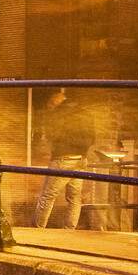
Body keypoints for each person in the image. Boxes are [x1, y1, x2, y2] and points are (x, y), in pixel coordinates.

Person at [33, 87, 96, 228]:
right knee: (74, 197)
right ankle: (69, 230)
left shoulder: (58, 114)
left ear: (57, 97)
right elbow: (92, 138)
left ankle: (37, 230)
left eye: (50, 102)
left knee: (47, 196)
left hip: (63, 159)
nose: (49, 105)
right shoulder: (85, 113)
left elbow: (52, 135)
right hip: (81, 159)